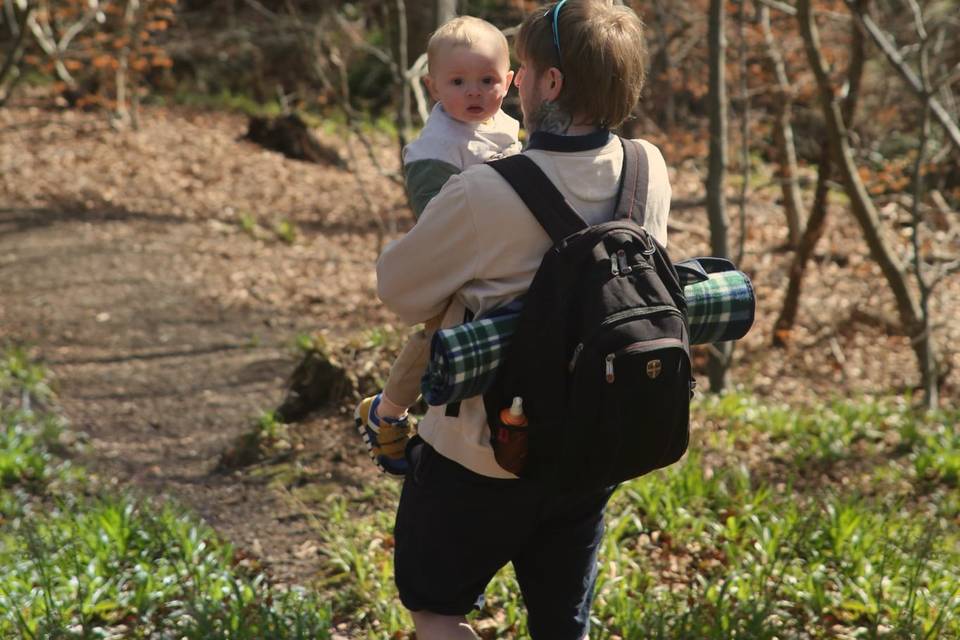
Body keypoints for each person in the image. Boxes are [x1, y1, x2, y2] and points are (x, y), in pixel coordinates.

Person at [377, 1, 672, 637]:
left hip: (482, 451)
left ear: (552, 83)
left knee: (435, 607)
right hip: (593, 441)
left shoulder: (484, 190)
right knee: (561, 623)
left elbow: (400, 292)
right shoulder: (648, 166)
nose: (513, 83)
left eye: (525, 68)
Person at [355, 15, 521, 476]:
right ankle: (386, 411)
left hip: (494, 250)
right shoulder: (435, 150)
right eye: (458, 81)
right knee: (436, 335)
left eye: (487, 80)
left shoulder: (504, 127)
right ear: (432, 87)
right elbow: (436, 222)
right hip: (453, 253)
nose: (474, 92)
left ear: (508, 82)